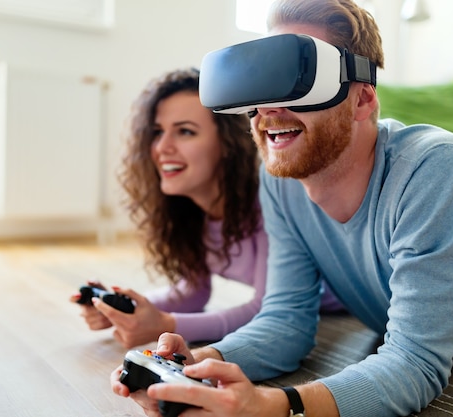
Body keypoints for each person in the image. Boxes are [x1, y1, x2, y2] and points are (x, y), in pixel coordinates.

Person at [110, 1, 453, 416]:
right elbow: (286, 321)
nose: (268, 110)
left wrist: (278, 407)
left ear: (362, 99)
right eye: (264, 85)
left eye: (298, 83)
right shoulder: (280, 182)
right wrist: (195, 360)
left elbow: (414, 362)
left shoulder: (439, 170)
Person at [70, 67, 346, 349]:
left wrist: (167, 326)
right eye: (157, 132)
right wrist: (125, 309)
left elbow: (266, 309)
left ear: (228, 144)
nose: (162, 147)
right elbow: (192, 293)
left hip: (354, 305)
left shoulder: (268, 202)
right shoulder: (192, 213)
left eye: (185, 132)